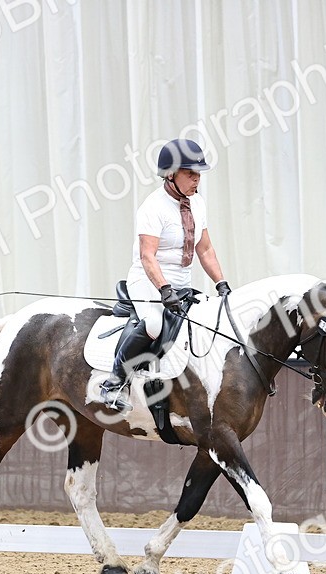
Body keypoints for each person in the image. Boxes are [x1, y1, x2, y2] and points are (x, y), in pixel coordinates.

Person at [99, 139, 232, 411]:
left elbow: (205, 250)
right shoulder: (153, 207)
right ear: (170, 174)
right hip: (147, 280)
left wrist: (222, 283)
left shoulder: (198, 204)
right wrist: (163, 289)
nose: (197, 180)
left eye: (198, 174)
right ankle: (114, 382)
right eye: (190, 174)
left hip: (181, 283)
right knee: (154, 325)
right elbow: (148, 256)